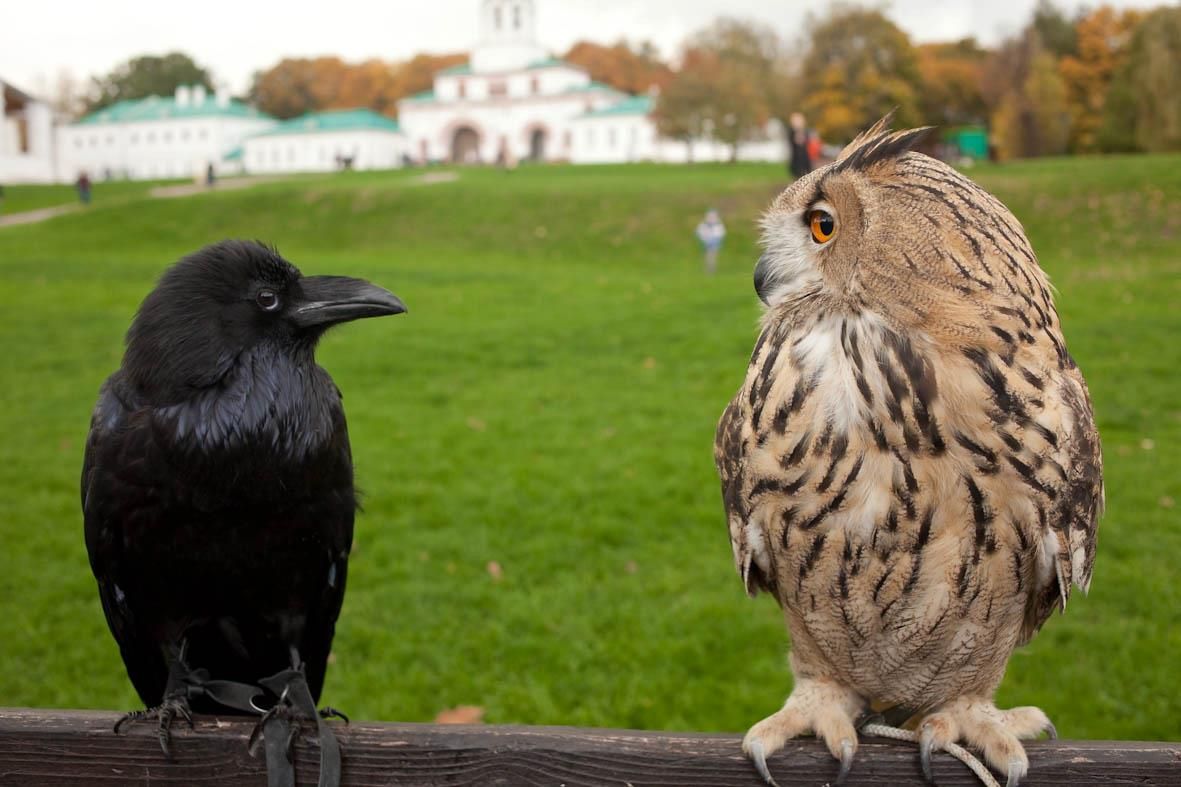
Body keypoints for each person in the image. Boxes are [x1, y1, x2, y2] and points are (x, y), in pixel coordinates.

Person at [696, 209, 726, 275]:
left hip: (715, 244)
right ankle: (708, 269)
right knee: (708, 257)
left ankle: (711, 270)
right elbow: (699, 233)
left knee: (712, 257)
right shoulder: (704, 226)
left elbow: (720, 234)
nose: (711, 219)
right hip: (707, 244)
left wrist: (715, 240)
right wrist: (705, 239)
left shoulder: (718, 226)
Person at [788, 112, 811, 180]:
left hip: (805, 160)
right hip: (796, 161)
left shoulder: (805, 132)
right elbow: (797, 141)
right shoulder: (792, 132)